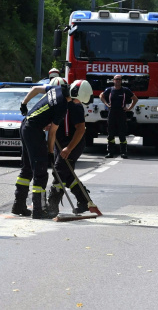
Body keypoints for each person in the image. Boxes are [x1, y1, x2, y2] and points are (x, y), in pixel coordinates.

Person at [13, 79, 93, 219]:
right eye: (79, 100)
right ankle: (39, 209)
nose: (79, 103)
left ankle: (18, 205)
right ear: (75, 96)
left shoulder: (57, 90)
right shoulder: (62, 106)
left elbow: (35, 89)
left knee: (27, 168)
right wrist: (50, 152)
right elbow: (52, 133)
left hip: (25, 125)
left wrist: (24, 104)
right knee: (41, 172)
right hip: (33, 130)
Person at [46, 81, 95, 215]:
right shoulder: (56, 104)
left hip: (73, 144)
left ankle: (52, 205)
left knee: (59, 172)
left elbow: (80, 129)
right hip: (59, 143)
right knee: (67, 176)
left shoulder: (75, 106)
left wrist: (69, 149)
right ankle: (84, 201)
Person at [100, 74, 138, 158]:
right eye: (116, 79)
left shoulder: (125, 90)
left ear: (121, 81)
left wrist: (129, 108)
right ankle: (110, 152)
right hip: (112, 113)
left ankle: (123, 152)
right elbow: (101, 96)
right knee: (110, 134)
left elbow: (135, 99)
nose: (117, 81)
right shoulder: (109, 90)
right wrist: (106, 104)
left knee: (122, 134)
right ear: (113, 80)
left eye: (119, 79)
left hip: (121, 113)